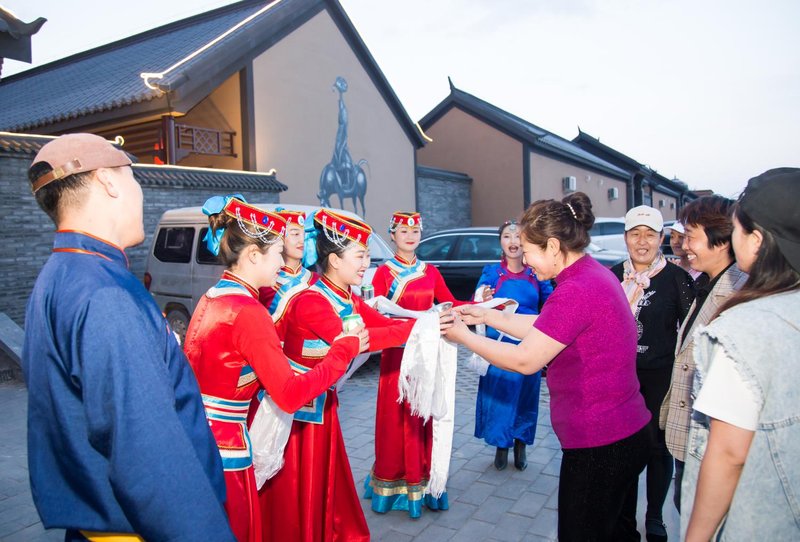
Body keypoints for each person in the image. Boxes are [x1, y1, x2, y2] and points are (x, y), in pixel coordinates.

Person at [22, 133, 236, 541]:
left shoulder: (62, 274)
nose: (139, 191)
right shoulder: (105, 293)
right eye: (133, 177)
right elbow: (148, 451)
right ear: (107, 180)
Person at [444, 192, 651, 542]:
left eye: (528, 252)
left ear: (553, 246)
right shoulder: (590, 276)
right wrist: (488, 315)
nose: (526, 260)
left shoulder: (577, 289)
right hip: (622, 432)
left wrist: (464, 337)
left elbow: (526, 359)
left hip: (600, 444)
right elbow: (550, 326)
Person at [183, 197, 366, 542]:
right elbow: (289, 394)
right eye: (278, 253)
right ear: (253, 255)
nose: (283, 262)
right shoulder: (248, 311)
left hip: (201, 438)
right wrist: (343, 350)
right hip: (229, 449)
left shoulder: (212, 296)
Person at [260, 209, 419, 542]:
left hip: (321, 404)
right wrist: (427, 329)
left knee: (324, 484)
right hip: (299, 415)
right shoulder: (313, 301)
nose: (366, 264)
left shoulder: (343, 295)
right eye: (360, 256)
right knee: (300, 487)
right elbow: (369, 340)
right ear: (334, 260)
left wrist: (431, 322)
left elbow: (384, 325)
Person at [683, 168, 800, 540]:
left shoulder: (744, 329)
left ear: (757, 240)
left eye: (736, 229)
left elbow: (729, 454)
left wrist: (696, 536)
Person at [363, 211, 467, 518]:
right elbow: (376, 316)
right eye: (403, 231)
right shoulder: (383, 273)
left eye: (415, 231)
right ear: (392, 235)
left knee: (424, 416)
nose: (410, 235)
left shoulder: (430, 272)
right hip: (396, 356)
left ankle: (423, 477)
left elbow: (449, 303)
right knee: (395, 418)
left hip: (425, 356)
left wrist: (481, 303)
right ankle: (393, 480)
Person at [611, 206, 695, 542]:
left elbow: (692, 331)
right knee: (626, 448)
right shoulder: (611, 276)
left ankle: (655, 516)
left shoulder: (677, 279)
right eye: (635, 234)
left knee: (659, 450)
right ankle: (625, 518)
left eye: (650, 234)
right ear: (626, 238)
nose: (642, 241)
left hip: (662, 378)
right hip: (621, 379)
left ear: (661, 239)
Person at [659, 195, 747, 511]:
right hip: (693, 445)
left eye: (692, 237)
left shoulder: (735, 296)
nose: (683, 246)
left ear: (721, 241)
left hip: (709, 448)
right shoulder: (710, 285)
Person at [473, 219, 553, 472]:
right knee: (500, 398)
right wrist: (481, 299)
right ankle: (501, 445)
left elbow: (551, 304)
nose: (513, 242)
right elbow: (476, 303)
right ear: (500, 242)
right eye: (507, 236)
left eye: (518, 236)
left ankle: (521, 444)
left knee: (526, 398)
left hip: (529, 344)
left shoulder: (535, 273)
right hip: (498, 346)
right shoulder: (490, 272)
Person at [257, 208, 318, 330]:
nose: (302, 240)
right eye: (295, 234)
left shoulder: (316, 280)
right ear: (279, 237)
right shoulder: (265, 283)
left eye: (303, 234)